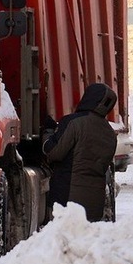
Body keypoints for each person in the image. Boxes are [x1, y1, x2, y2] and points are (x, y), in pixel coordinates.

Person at [44, 83, 118, 222]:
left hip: (68, 199)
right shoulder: (110, 133)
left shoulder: (74, 122)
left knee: (63, 240)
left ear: (88, 98)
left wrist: (48, 135)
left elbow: (55, 152)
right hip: (95, 203)